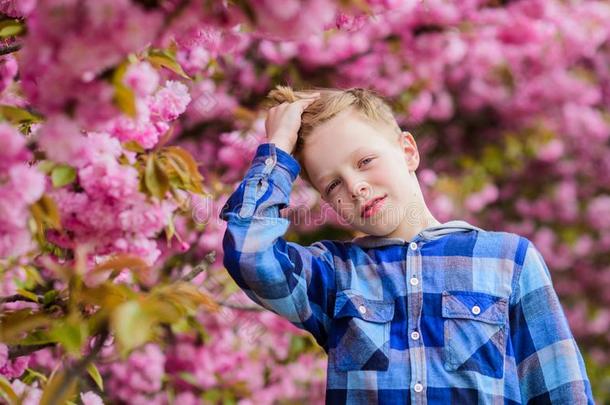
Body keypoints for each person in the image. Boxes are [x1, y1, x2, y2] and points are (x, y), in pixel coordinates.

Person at [219, 86, 594, 404]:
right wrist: (277, 152)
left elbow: (563, 390)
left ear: (408, 151)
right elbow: (251, 256)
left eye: (365, 161)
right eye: (332, 185)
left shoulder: (508, 259)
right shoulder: (334, 274)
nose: (355, 186)